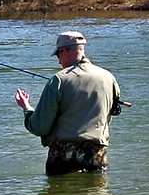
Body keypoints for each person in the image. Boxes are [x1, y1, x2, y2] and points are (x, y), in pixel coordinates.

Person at [14, 31, 121, 175]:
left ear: (64, 52)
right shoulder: (108, 77)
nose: (58, 61)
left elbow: (40, 127)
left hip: (63, 160)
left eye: (58, 55)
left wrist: (26, 107)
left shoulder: (58, 80)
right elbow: (108, 115)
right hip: (98, 157)